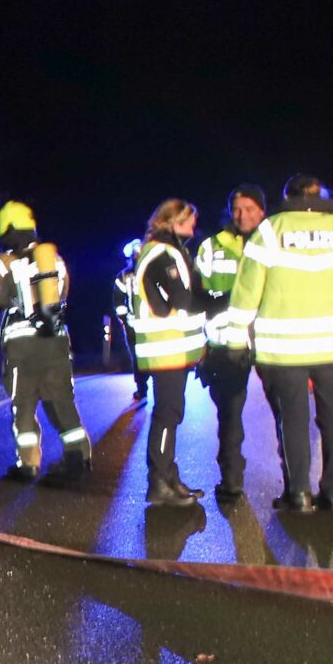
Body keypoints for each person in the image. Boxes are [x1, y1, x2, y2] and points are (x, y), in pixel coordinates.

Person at [223, 174, 333, 512]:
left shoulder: (269, 231)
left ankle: (299, 494)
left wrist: (236, 340)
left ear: (287, 197)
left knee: (293, 420)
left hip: (285, 348)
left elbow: (247, 293)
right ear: (321, 195)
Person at [0, 200, 91, 483]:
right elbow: (62, 293)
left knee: (24, 406)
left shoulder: (2, 263)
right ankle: (79, 456)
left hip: (22, 347)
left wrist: (11, 298)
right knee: (62, 402)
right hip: (55, 341)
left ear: (5, 229)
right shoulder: (54, 259)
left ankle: (28, 464)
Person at [131, 198, 208, 506]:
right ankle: (160, 481)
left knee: (170, 412)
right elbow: (182, 299)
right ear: (173, 221)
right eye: (190, 220)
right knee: (168, 413)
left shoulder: (162, 251)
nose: (194, 226)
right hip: (166, 350)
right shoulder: (164, 254)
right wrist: (215, 299)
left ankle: (169, 477)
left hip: (169, 350)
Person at [195, 185, 267, 503]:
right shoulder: (211, 247)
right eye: (237, 209)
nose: (243, 215)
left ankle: (296, 485)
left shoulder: (273, 243)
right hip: (226, 346)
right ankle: (232, 478)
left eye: (250, 208)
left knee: (287, 414)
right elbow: (196, 296)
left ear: (262, 211)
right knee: (229, 416)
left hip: (270, 341)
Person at [111, 237, 149, 400]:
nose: (137, 257)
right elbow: (118, 299)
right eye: (135, 255)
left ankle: (157, 388)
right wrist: (124, 319)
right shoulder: (123, 276)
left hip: (153, 324)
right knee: (137, 358)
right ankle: (142, 388)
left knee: (153, 356)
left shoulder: (152, 271)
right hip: (133, 325)